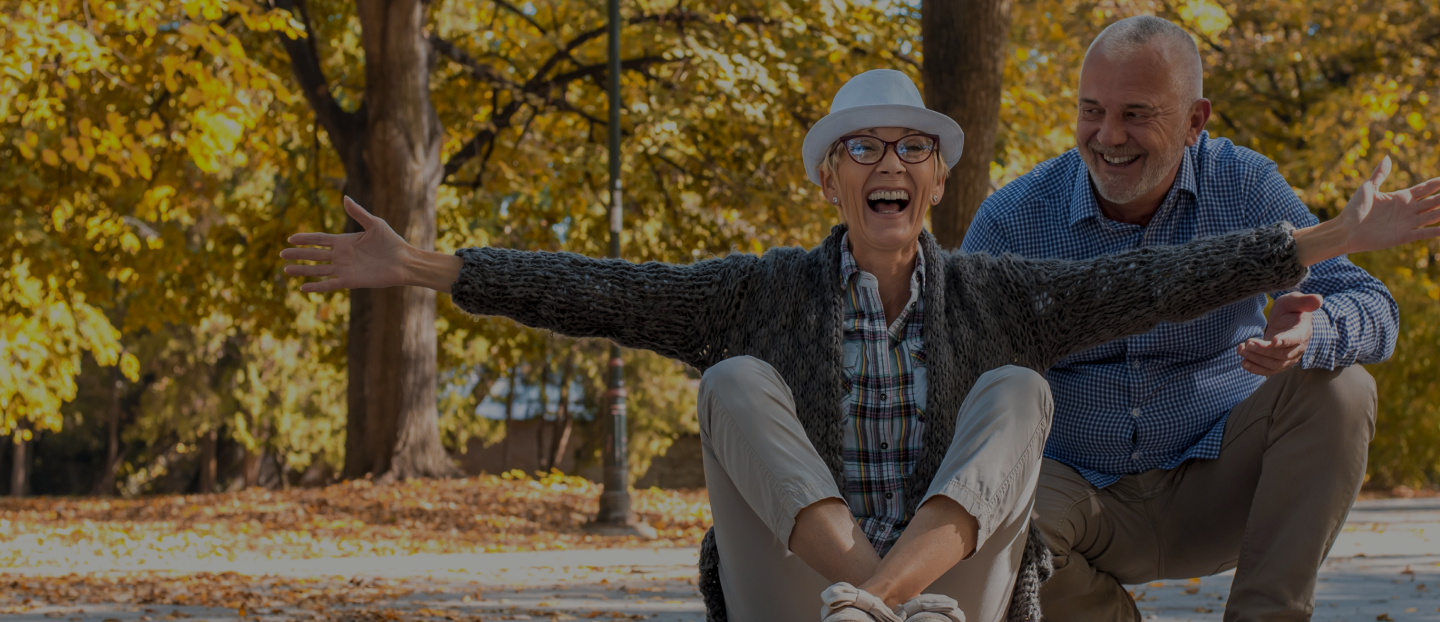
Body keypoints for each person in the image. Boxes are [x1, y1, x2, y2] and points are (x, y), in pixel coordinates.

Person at [280, 68, 1440, 622]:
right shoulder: (761, 292)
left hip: (960, 597)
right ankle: (869, 601)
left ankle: (891, 602)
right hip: (801, 587)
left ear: (935, 178)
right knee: (732, 380)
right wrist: (425, 267)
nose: (886, 163)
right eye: (860, 148)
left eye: (909, 148)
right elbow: (601, 289)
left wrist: (1342, 234)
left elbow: (1171, 274)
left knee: (1017, 393)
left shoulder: (1001, 290)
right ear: (833, 177)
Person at [961, 16, 1409, 622]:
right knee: (982, 512)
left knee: (1343, 387)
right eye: (1091, 111)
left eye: (1136, 114)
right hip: (1082, 498)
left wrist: (1312, 335)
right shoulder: (1013, 218)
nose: (1108, 136)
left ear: (1195, 121)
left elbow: (1376, 308)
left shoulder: (1245, 185)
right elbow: (958, 377)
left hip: (1220, 482)